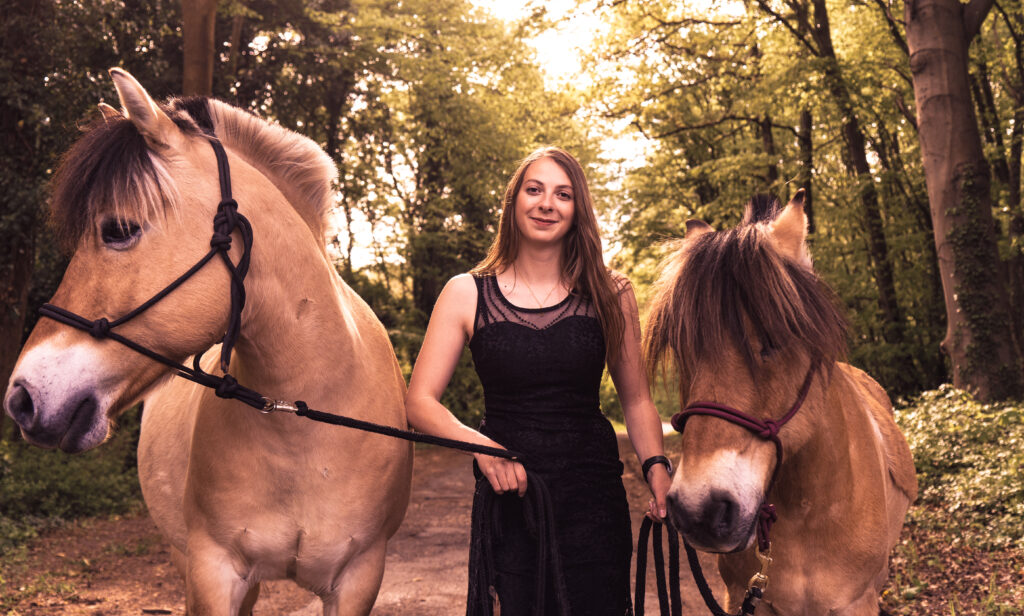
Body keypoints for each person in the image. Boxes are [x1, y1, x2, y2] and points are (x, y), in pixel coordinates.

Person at [405, 146, 671, 615]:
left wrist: (656, 468)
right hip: (512, 497)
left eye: (563, 194)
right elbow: (419, 401)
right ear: (514, 202)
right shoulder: (466, 292)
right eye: (535, 190)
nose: (547, 203)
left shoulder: (613, 293)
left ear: (577, 210)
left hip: (593, 497)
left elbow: (637, 400)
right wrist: (482, 449)